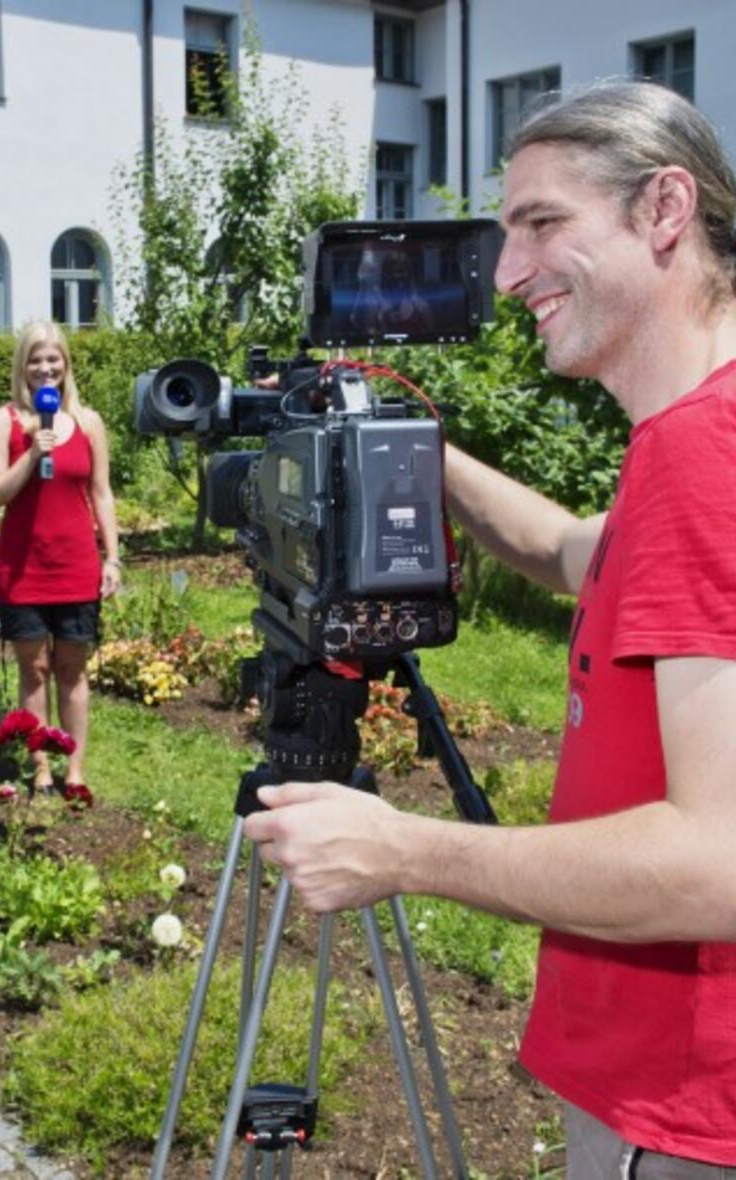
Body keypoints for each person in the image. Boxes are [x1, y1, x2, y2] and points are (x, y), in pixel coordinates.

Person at [244, 79, 736, 1176]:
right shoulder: (687, 438)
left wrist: (403, 848)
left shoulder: (709, 452)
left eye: (542, 224)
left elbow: (721, 859)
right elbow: (572, 549)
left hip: (680, 1108)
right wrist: (405, 445)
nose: (508, 276)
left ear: (664, 210)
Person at [0, 320, 120, 793]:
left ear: (66, 364)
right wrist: (29, 455)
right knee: (34, 669)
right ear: (23, 365)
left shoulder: (88, 422)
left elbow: (102, 494)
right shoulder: (6, 421)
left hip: (76, 566)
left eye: (53, 358)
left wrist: (113, 558)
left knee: (72, 668)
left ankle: (75, 770)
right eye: (36, 359)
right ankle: (40, 768)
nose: (45, 368)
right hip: (22, 569)